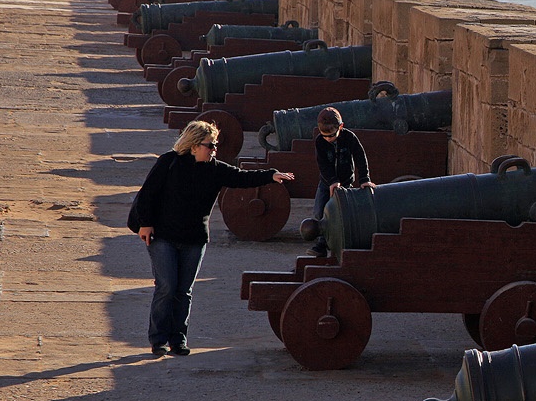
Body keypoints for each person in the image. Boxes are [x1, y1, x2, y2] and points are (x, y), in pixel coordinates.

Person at [133, 120, 294, 356]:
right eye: (210, 145)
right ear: (195, 145)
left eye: (215, 144)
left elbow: (241, 177)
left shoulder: (215, 169)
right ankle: (158, 339)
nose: (215, 149)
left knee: (184, 290)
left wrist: (271, 176)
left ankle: (178, 340)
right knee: (166, 286)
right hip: (163, 236)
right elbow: (147, 194)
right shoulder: (169, 162)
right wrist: (145, 224)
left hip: (194, 239)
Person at [310, 107, 370, 256]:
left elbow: (360, 157)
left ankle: (341, 244)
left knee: (342, 215)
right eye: (325, 136)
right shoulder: (320, 142)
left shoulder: (349, 138)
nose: (328, 139)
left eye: (331, 135)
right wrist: (332, 181)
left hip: (345, 183)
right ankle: (321, 246)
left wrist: (364, 179)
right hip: (326, 183)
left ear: (340, 127)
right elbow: (322, 164)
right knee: (319, 212)